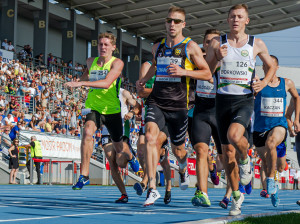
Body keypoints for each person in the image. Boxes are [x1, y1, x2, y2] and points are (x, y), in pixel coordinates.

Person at [136, 6, 211, 206]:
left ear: (183, 25)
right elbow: (155, 64)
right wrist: (144, 79)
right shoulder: (157, 46)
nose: (172, 24)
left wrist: (183, 72)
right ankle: (152, 188)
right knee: (150, 138)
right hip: (157, 101)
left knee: (178, 151)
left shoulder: (191, 47)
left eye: (177, 21)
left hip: (179, 106)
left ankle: (183, 166)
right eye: (169, 20)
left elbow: (207, 74)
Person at [206, 4, 276, 215]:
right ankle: (236, 196)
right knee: (227, 155)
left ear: (247, 21)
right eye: (232, 16)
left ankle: (245, 160)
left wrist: (263, 83)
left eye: (240, 17)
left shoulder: (256, 43)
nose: (236, 20)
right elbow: (208, 72)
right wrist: (216, 57)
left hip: (244, 99)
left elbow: (271, 65)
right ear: (227, 20)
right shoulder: (218, 43)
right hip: (222, 101)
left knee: (234, 135)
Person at [65, 32, 139, 190]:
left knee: (119, 148)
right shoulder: (91, 61)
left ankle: (132, 157)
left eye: (106, 44)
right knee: (87, 132)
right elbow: (86, 75)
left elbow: (106, 83)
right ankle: (84, 175)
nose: (103, 47)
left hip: (112, 110)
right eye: (100, 44)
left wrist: (81, 84)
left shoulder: (117, 63)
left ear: (113, 47)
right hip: (94, 107)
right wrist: (77, 81)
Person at [253, 55, 300, 207]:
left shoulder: (286, 83)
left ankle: (271, 180)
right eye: (266, 66)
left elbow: (296, 97)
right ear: (263, 67)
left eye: (272, 66)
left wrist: (296, 119)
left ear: (277, 67)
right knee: (267, 162)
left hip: (278, 127)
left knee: (273, 146)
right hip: (260, 128)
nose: (269, 68)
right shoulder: (257, 84)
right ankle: (274, 189)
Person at [190, 29, 222, 207]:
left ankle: (232, 188)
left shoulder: (226, 63)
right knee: (201, 150)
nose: (210, 44)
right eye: (207, 41)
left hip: (220, 113)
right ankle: (203, 192)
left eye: (214, 41)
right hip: (201, 112)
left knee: (225, 157)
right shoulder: (196, 62)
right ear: (203, 44)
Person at [135, 59, 172, 205]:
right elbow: (142, 92)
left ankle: (162, 186)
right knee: (141, 149)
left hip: (168, 114)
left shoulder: (171, 67)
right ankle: (150, 181)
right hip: (150, 112)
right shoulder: (147, 67)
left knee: (159, 151)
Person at [102, 87, 140, 203]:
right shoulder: (99, 91)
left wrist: (131, 112)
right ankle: (124, 194)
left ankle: (131, 157)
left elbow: (138, 106)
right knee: (112, 163)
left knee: (121, 163)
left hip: (121, 129)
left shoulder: (123, 92)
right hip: (106, 131)